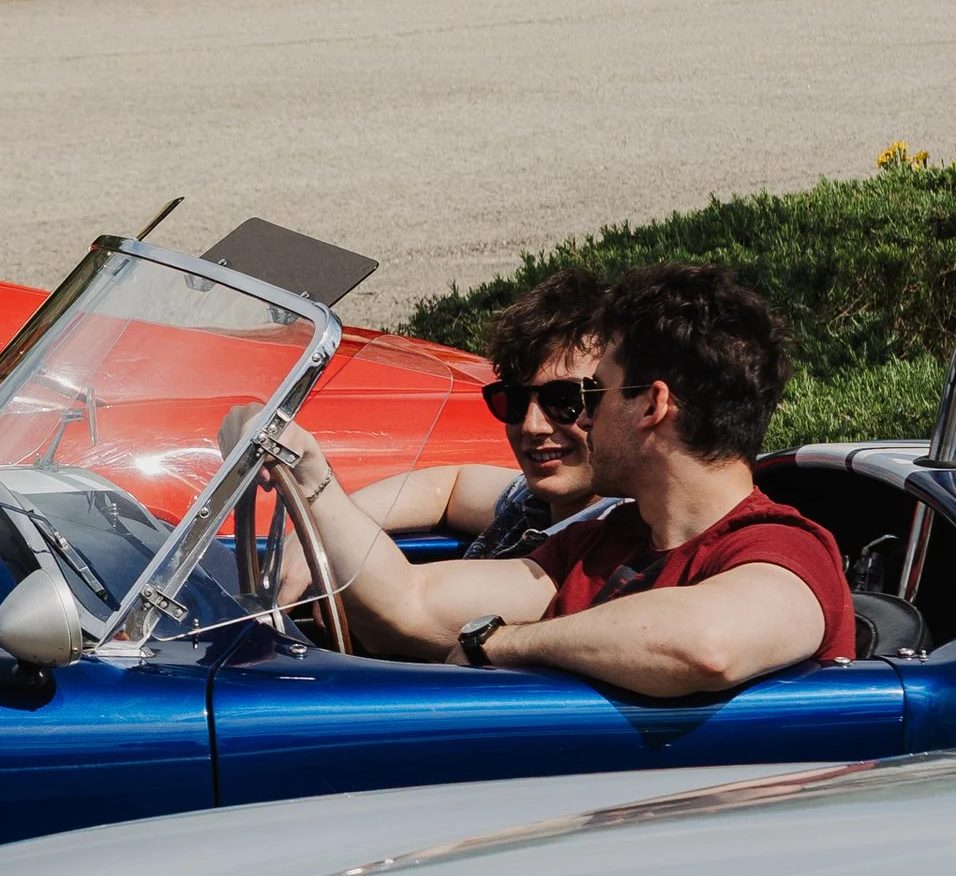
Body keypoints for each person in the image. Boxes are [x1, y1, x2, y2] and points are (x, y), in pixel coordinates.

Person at [275, 260, 853, 699]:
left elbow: (708, 646)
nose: (580, 417)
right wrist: (312, 478)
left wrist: (500, 643)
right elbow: (412, 604)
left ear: (652, 406)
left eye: (591, 394)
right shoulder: (607, 539)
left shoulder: (782, 549)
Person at [353, 263, 608, 559]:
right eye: (513, 400)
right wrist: (317, 535)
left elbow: (413, 598)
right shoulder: (531, 500)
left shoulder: (611, 550)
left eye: (565, 400)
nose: (531, 425)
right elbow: (448, 486)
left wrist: (331, 519)